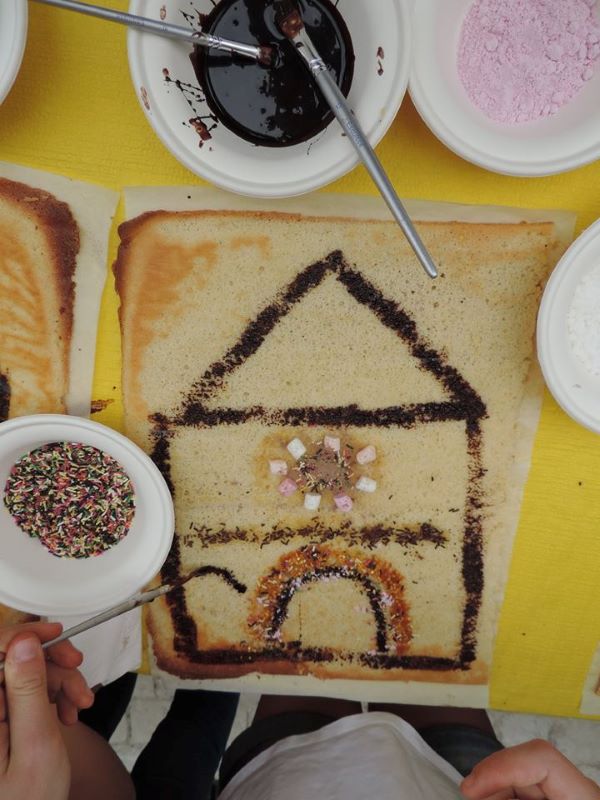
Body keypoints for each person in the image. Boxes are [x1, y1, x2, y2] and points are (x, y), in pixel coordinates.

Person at [1, 622, 598, 800]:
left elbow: (98, 782)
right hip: (463, 783)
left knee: (312, 650)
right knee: (425, 649)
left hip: (286, 773)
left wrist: (34, 761)